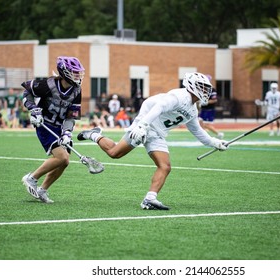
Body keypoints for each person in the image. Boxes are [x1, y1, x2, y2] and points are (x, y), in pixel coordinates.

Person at [77, 72, 228, 210]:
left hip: (158, 133)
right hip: (146, 122)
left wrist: (215, 143)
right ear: (191, 85)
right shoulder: (179, 96)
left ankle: (150, 199)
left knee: (165, 166)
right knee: (114, 153)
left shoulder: (193, 109)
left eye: (206, 88)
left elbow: (198, 131)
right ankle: (93, 134)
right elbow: (159, 107)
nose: (205, 91)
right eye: (202, 87)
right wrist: (142, 125)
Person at [21, 56, 85, 203]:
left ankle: (42, 190)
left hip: (60, 127)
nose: (78, 76)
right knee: (62, 157)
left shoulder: (76, 91)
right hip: (45, 124)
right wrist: (33, 109)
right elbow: (27, 93)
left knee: (65, 162)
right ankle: (31, 178)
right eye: (74, 72)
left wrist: (67, 133)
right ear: (64, 72)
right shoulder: (47, 85)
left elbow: (71, 116)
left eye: (78, 72)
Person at [198, 75, 224, 139]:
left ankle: (219, 134)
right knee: (200, 123)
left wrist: (206, 102)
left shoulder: (212, 89)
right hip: (203, 110)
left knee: (206, 125)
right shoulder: (203, 89)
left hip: (209, 110)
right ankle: (203, 137)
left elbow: (214, 100)